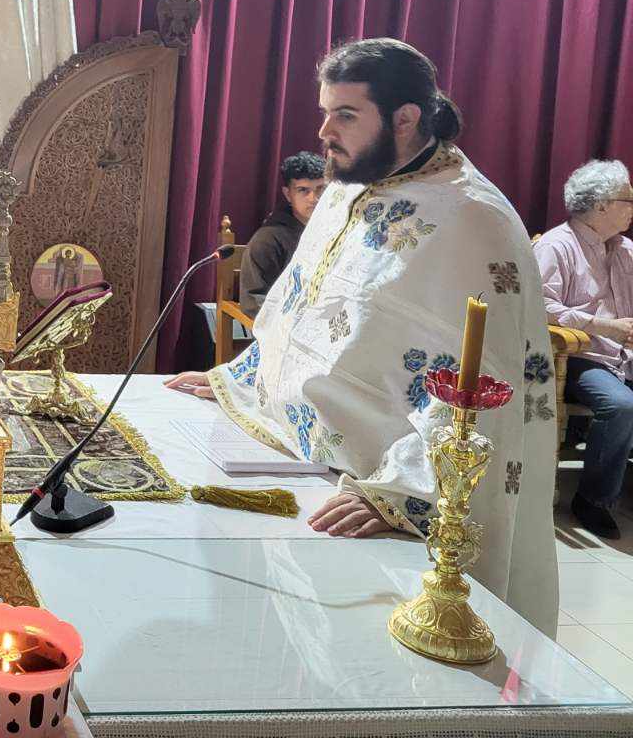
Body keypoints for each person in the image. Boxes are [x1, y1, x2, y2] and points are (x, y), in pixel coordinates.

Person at [166, 38, 558, 635]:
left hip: (373, 494)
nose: (325, 132)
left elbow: (485, 381)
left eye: (346, 115)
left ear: (406, 118)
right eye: (325, 111)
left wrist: (400, 491)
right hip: (294, 458)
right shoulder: (348, 187)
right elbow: (301, 309)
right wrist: (239, 377)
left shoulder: (475, 220)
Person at [533, 159, 633, 539]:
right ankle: (593, 500)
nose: (632, 206)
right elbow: (541, 306)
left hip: (623, 356)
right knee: (621, 405)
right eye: (628, 199)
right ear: (602, 205)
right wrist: (604, 326)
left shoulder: (626, 249)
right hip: (579, 356)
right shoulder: (557, 246)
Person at [238, 151, 327, 315]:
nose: (314, 198)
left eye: (321, 189)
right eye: (303, 190)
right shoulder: (267, 240)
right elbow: (253, 302)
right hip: (284, 323)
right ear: (288, 194)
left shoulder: (335, 230)